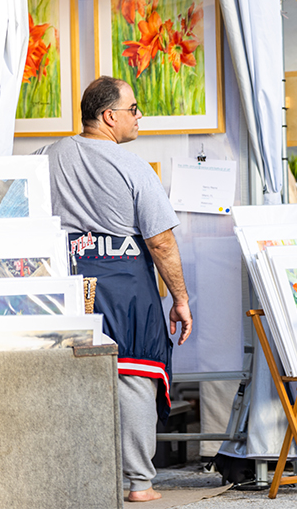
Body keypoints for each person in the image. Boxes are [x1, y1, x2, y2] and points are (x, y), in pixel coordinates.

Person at [36, 76, 193, 502]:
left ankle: (73, 477)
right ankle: (139, 484)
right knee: (134, 376)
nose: (139, 117)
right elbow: (160, 241)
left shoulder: (45, 157)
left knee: (70, 379)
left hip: (64, 286)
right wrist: (180, 299)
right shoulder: (133, 167)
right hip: (126, 288)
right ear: (109, 116)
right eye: (134, 109)